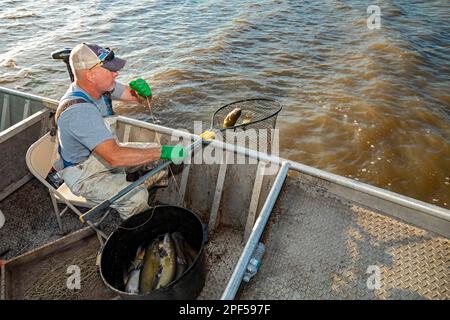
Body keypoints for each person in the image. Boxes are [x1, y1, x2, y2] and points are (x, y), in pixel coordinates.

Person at [53, 43, 185, 220]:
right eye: (110, 70)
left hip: (105, 156)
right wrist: (163, 151)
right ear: (91, 75)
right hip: (85, 175)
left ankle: (133, 186)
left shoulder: (103, 88)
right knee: (137, 198)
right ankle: (135, 227)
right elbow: (114, 157)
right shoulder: (77, 112)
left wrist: (145, 94)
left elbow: (140, 101)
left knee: (159, 159)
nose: (116, 73)